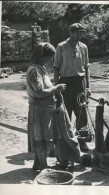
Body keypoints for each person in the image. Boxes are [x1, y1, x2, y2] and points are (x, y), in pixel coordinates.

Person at [26, 42, 66, 170]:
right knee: (41, 137)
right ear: (42, 56)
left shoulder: (40, 68)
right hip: (39, 109)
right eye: (50, 57)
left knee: (42, 135)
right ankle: (44, 167)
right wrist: (56, 88)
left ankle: (38, 162)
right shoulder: (34, 71)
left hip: (45, 108)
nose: (51, 60)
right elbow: (39, 92)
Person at [53, 23, 91, 152]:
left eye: (81, 32)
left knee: (81, 112)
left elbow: (86, 68)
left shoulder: (84, 47)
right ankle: (65, 142)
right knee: (65, 113)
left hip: (79, 83)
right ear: (70, 32)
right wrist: (56, 87)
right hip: (65, 82)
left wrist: (88, 87)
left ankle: (82, 141)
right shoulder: (61, 47)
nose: (80, 35)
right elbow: (56, 67)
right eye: (77, 32)